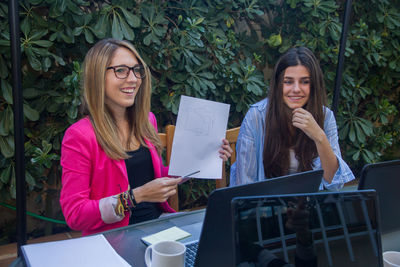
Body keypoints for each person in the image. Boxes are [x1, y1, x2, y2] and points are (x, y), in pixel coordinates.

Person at [60, 38, 232, 236]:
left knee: (216, 240)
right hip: (114, 239)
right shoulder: (79, 136)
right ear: (97, 76)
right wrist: (136, 197)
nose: (133, 79)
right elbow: (75, 214)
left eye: (136, 70)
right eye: (121, 70)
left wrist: (205, 156)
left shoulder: (146, 121)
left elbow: (156, 178)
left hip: (157, 227)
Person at [230, 47, 354, 190]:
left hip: (310, 204)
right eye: (288, 82)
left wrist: (319, 136)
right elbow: (245, 184)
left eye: (305, 82)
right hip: (266, 205)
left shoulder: (325, 117)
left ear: (314, 85)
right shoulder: (257, 116)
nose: (296, 89)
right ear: (278, 84)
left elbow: (335, 183)